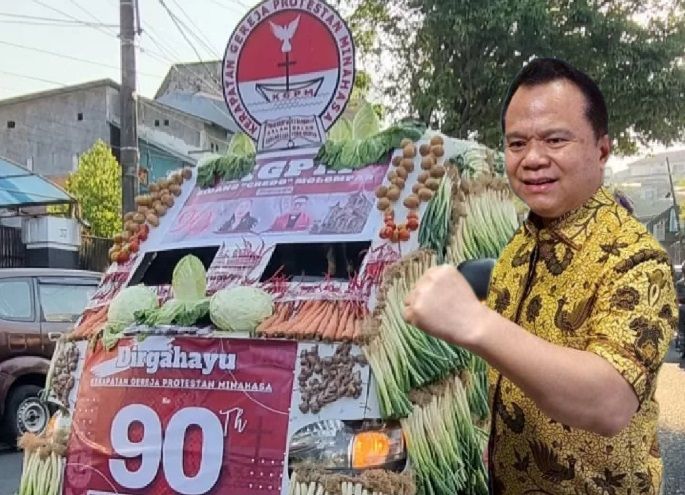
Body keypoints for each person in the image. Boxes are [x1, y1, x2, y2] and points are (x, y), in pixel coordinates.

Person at [403, 58, 675, 494]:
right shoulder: (520, 245)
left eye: (554, 139)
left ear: (601, 150)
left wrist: (474, 323)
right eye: (517, 143)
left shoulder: (637, 259)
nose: (532, 159)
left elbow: (609, 401)